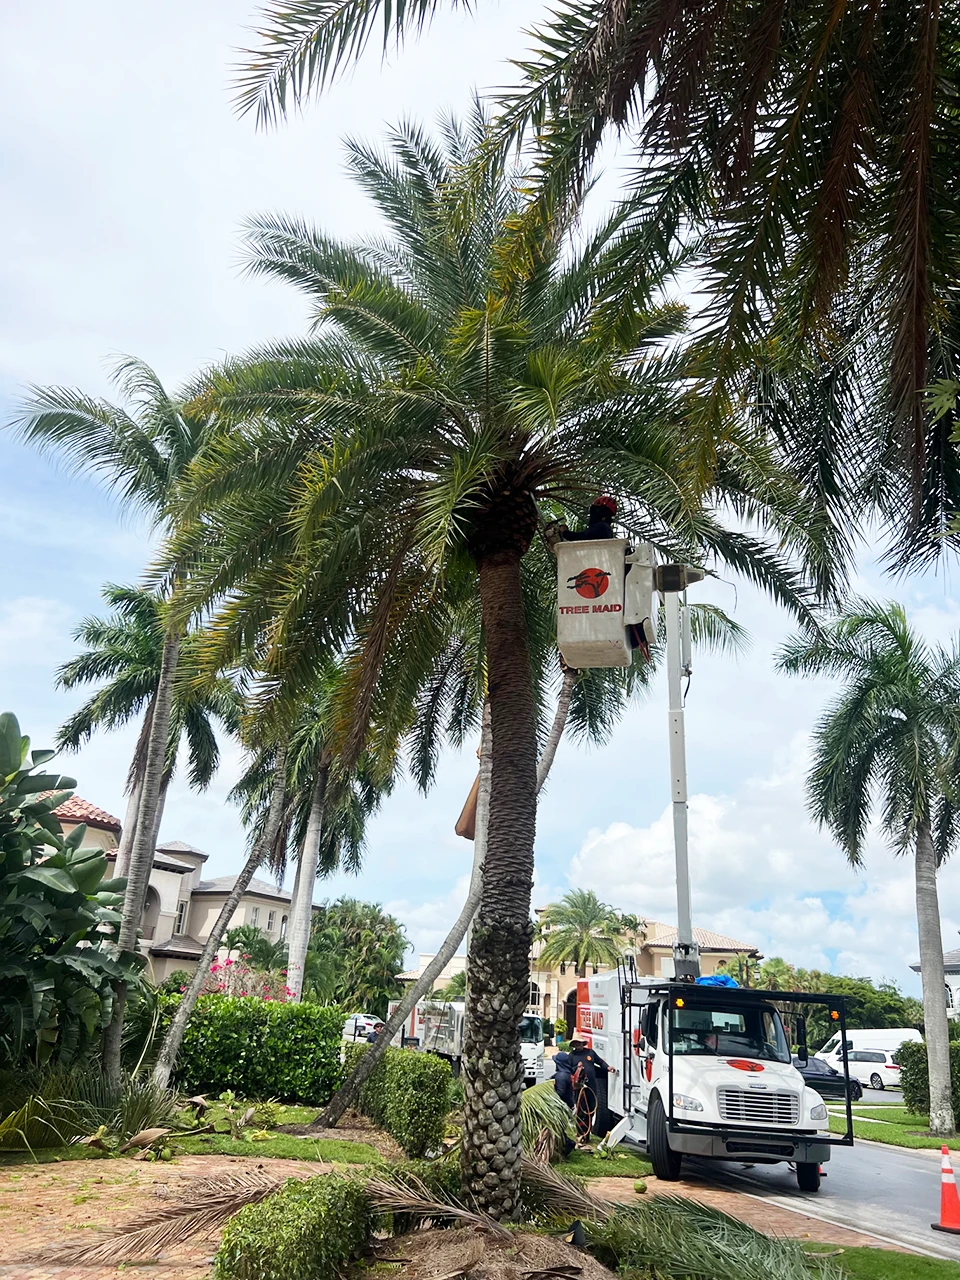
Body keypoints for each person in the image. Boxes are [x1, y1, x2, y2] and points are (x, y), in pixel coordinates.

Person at [567, 1039, 616, 1143]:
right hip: (579, 1088)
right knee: (581, 1111)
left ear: (582, 1044)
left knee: (591, 1109)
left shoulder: (590, 1052)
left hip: (591, 1086)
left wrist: (607, 1068)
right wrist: (577, 1067)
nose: (578, 1045)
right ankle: (580, 1134)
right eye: (576, 1043)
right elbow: (569, 1069)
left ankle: (587, 1134)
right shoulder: (571, 1056)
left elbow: (600, 1062)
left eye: (579, 1043)